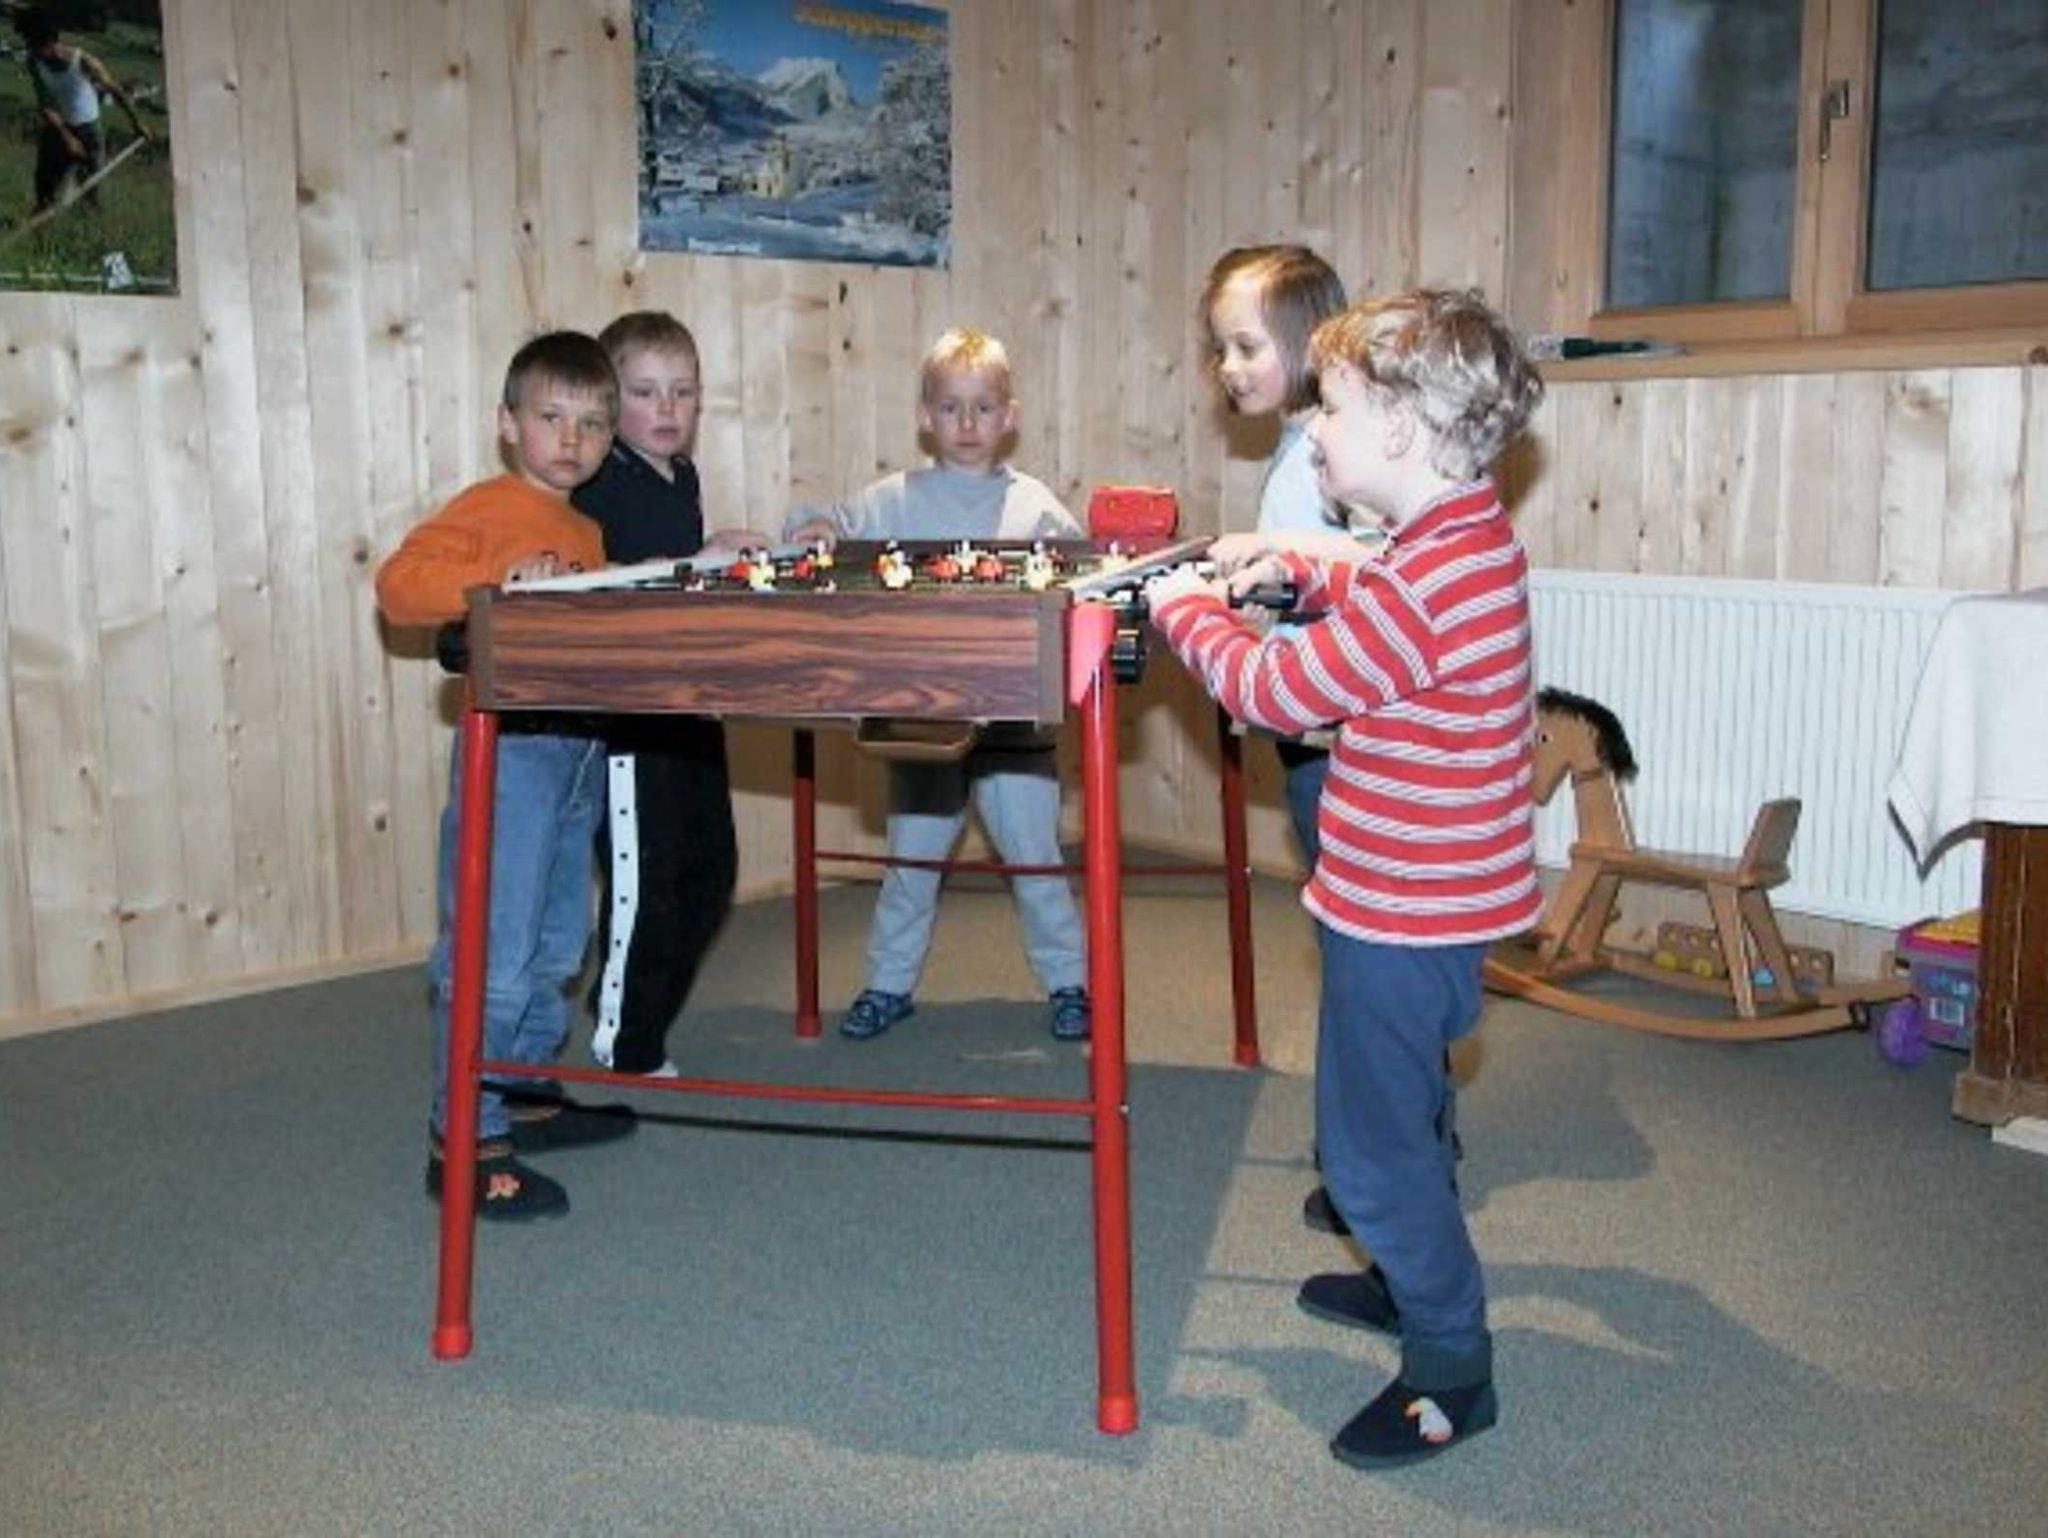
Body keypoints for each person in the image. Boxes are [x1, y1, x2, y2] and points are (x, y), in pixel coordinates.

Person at [1143, 289, 1546, 1467]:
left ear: (1404, 429)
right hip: (1436, 902)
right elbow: (1382, 596)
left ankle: (1449, 1365)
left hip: (1400, 908)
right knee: (1406, 1103)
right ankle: (1408, 1276)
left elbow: (1272, 692)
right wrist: (1301, 567)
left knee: (1366, 1154)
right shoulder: (1460, 541)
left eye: (1330, 407)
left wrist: (1182, 609)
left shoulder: (1425, 581)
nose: (1312, 428)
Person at [375, 330, 635, 1222]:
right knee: (495, 951)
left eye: (592, 423)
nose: (572, 438)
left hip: (578, 753)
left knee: (559, 942)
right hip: (514, 754)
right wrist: (499, 577)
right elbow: (399, 586)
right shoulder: (490, 506)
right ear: (507, 424)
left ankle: (521, 1090)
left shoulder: (586, 528)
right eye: (551, 417)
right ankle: (464, 1136)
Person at [783, 327, 1090, 1042]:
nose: (968, 423)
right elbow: (819, 526)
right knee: (910, 861)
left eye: (984, 408)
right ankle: (888, 984)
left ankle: (1070, 982)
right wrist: (816, 526)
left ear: (1009, 416)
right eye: (951, 408)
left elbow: (1086, 573)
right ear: (926, 417)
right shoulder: (893, 499)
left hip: (1015, 720)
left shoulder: (1035, 506)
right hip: (922, 719)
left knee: (1037, 860)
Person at [573, 310, 768, 1078]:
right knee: (644, 882)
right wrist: (698, 560)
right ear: (608, 402)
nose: (667, 408)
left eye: (683, 392)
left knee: (712, 872)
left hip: (689, 705)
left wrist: (718, 559)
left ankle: (633, 1006)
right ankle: (626, 1039)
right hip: (629, 721)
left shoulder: (681, 476)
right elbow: (614, 584)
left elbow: (678, 576)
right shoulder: (599, 481)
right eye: (645, 392)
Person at [14, 6, 153, 214]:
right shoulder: (35, 63)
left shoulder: (84, 62)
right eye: (28, 43)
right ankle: (41, 226)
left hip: (89, 132)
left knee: (90, 193)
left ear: (49, 41)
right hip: (57, 131)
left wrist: (137, 123)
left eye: (33, 43)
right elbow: (46, 105)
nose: (30, 48)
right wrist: (67, 138)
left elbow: (116, 91)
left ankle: (87, 224)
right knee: (44, 191)